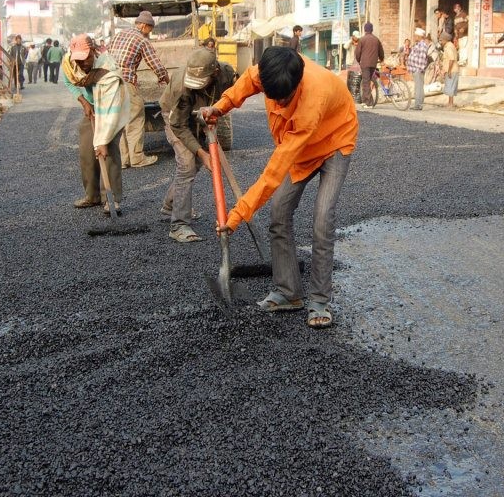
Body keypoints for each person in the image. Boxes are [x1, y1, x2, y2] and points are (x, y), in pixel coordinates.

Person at [199, 47, 359, 329]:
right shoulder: (267, 72)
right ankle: (288, 292)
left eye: (286, 99)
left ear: (297, 84)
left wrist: (235, 217)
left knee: (322, 218)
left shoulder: (312, 100)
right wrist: (219, 107)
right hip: (300, 147)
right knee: (279, 213)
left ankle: (319, 300)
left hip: (335, 142)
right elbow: (245, 84)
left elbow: (273, 173)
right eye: (276, 99)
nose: (280, 104)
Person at [159, 49, 233, 243]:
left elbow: (230, 97)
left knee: (196, 164)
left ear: (215, 72)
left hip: (202, 113)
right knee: (187, 163)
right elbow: (178, 125)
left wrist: (216, 111)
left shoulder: (225, 73)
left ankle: (170, 204)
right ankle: (179, 225)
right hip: (176, 117)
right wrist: (201, 152)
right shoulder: (181, 87)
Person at [60, 35, 129, 215]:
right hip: (93, 105)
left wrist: (103, 141)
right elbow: (68, 81)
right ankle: (92, 196)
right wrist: (84, 101)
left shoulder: (108, 71)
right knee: (87, 150)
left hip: (111, 108)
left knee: (109, 151)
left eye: (86, 59)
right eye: (79, 60)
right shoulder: (70, 63)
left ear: (93, 51)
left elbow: (109, 114)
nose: (82, 64)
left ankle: (111, 199)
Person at [106, 10, 170, 168]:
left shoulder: (118, 35)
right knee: (135, 117)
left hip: (109, 82)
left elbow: (106, 56)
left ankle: (123, 159)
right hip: (125, 82)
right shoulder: (142, 40)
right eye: (150, 29)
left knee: (118, 120)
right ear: (144, 26)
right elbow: (155, 64)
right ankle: (137, 158)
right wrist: (165, 78)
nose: (150, 33)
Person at [355, 22, 384, 109]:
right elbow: (381, 51)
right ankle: (365, 100)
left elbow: (357, 53)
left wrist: (358, 60)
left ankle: (369, 103)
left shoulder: (362, 40)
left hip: (365, 64)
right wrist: (381, 59)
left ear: (365, 30)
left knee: (366, 82)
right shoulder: (376, 39)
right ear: (372, 30)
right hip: (373, 63)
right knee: (368, 80)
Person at [406, 28, 430, 110]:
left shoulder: (422, 45)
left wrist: (419, 69)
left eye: (416, 36)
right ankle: (418, 104)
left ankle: (418, 105)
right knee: (418, 87)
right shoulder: (418, 44)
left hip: (418, 69)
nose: (414, 37)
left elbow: (422, 58)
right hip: (415, 69)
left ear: (420, 36)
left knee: (419, 87)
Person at [440, 32, 459, 107]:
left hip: (452, 70)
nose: (441, 42)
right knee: (450, 86)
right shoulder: (450, 45)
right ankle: (450, 103)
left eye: (441, 40)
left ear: (445, 40)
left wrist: (449, 70)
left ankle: (450, 104)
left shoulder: (449, 47)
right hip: (452, 70)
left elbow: (451, 59)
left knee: (450, 86)